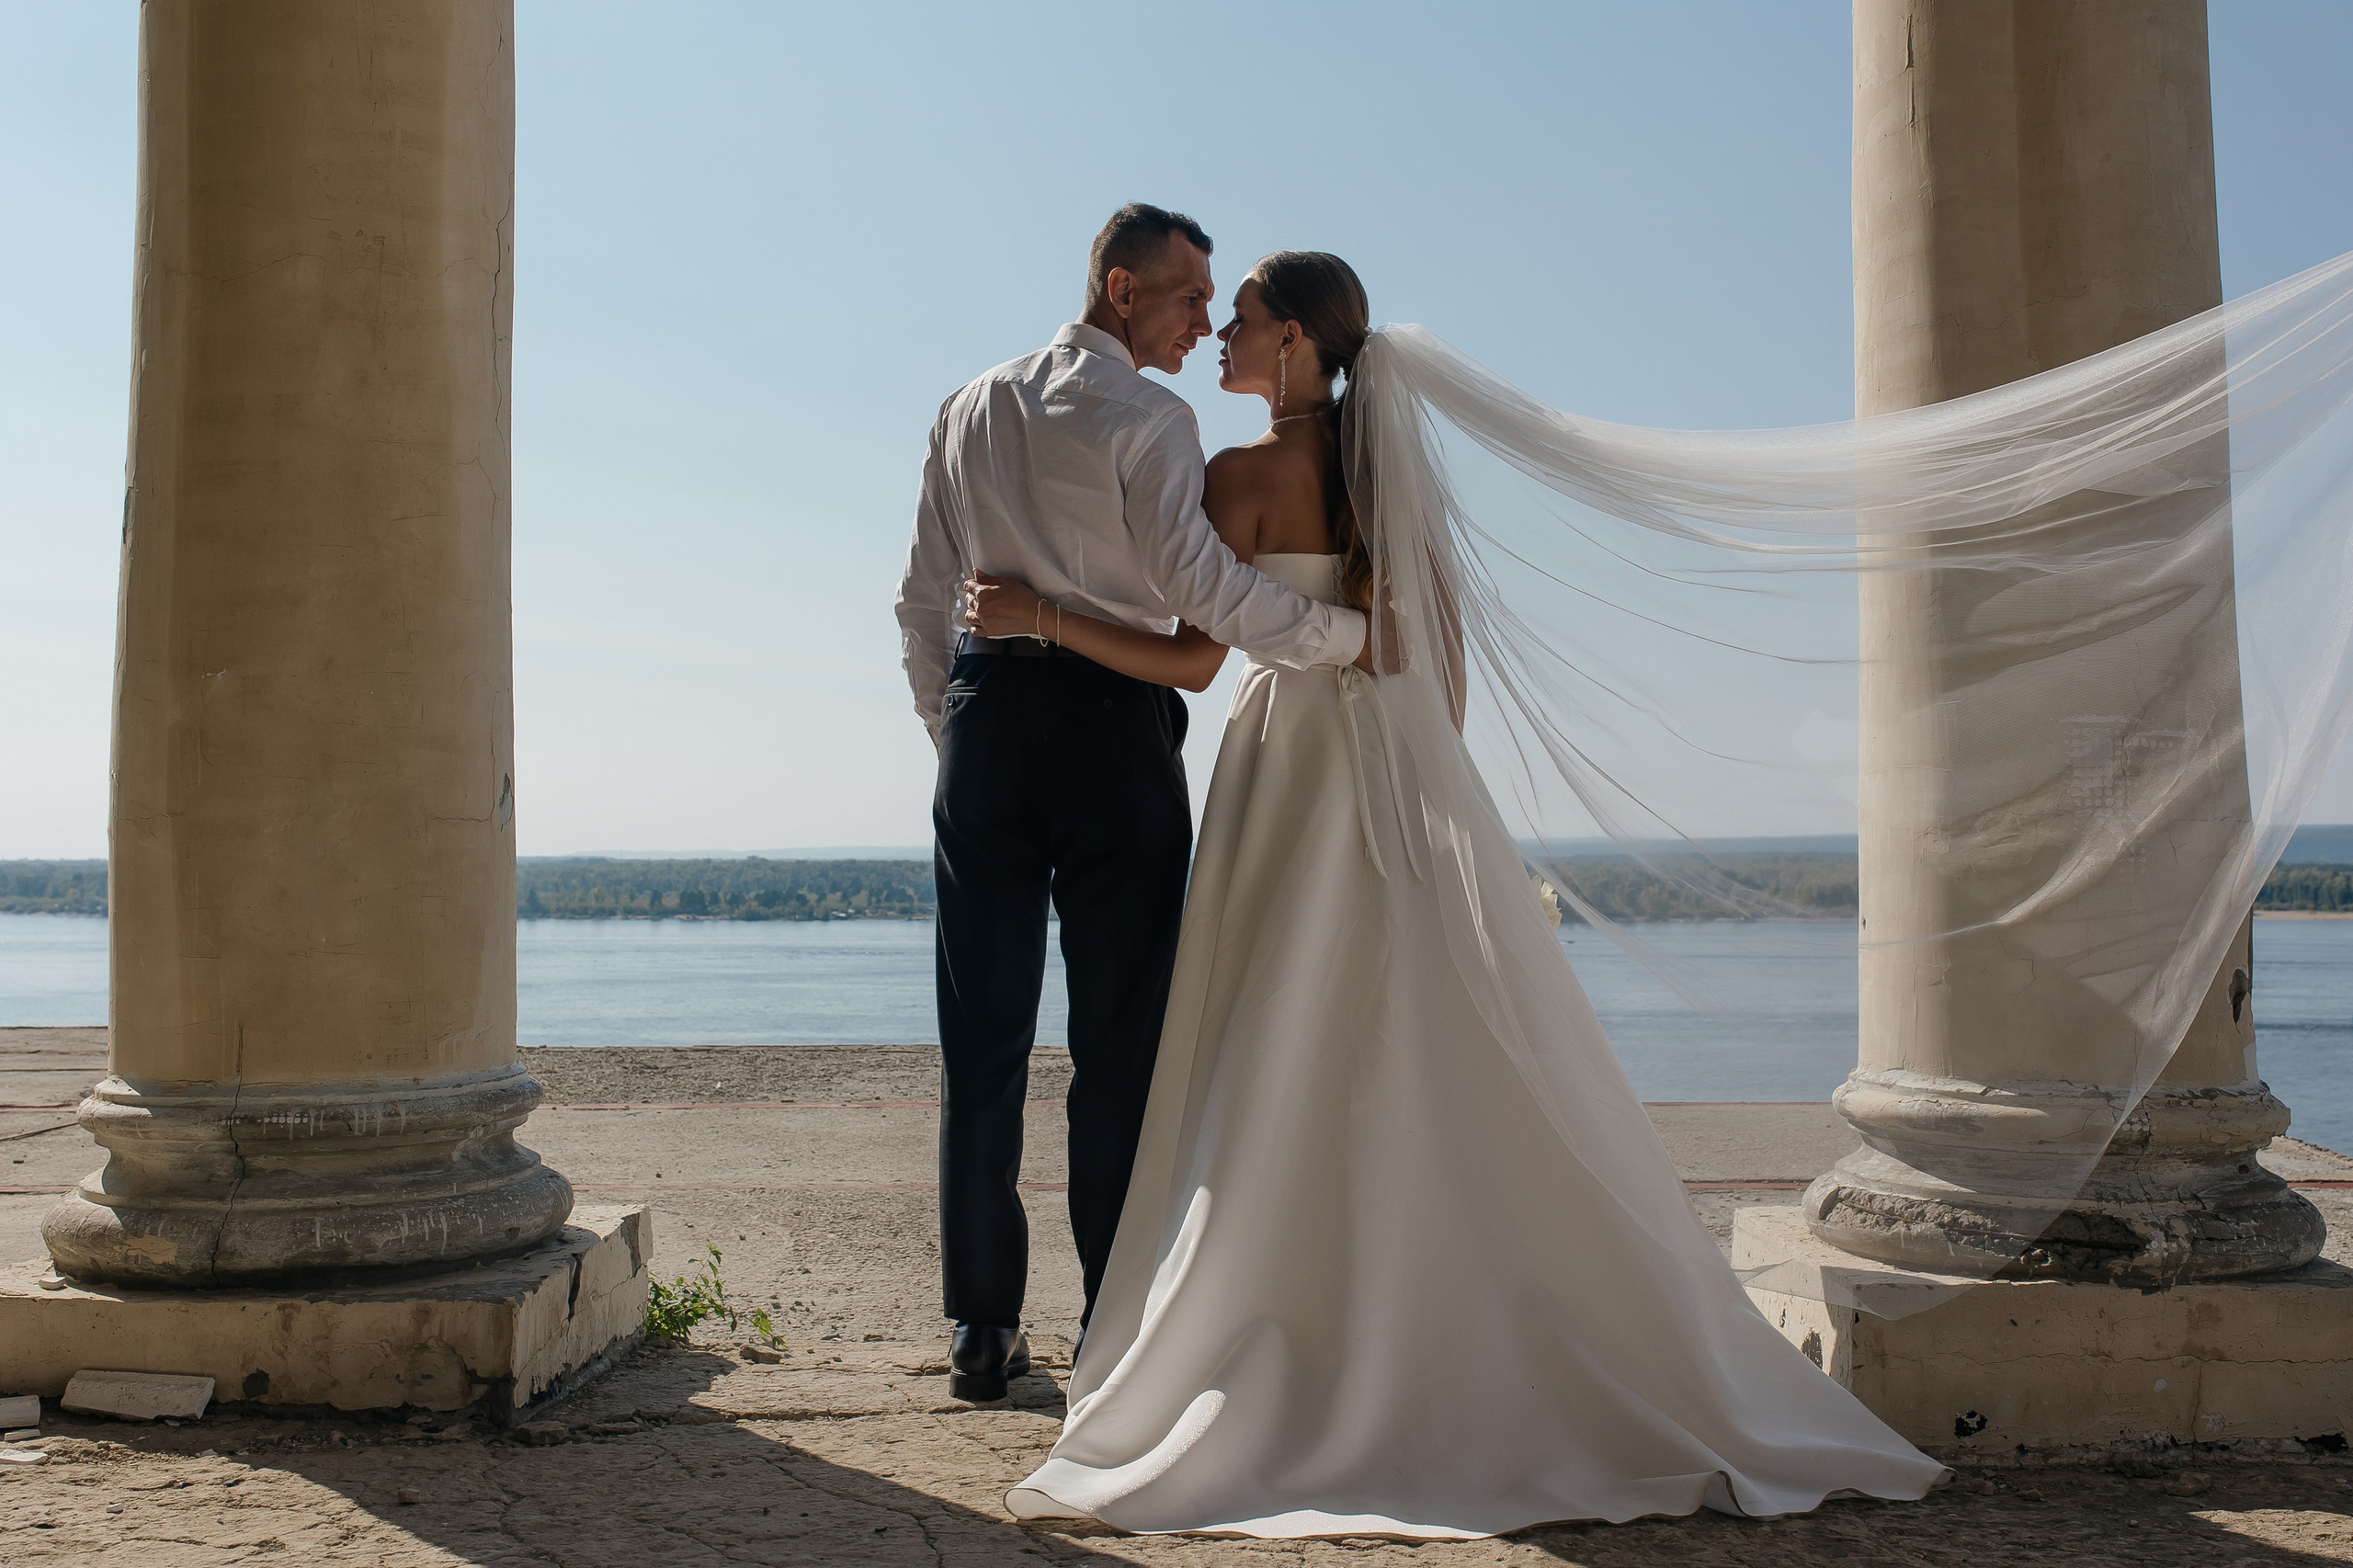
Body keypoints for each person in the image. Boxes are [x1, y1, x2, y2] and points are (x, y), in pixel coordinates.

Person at [959, 251, 1947, 1536]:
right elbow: (1444, 672)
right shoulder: (1389, 487)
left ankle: (1289, 1322)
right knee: (1409, 1028)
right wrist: (1419, 792)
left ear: (1301, 343)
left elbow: (1197, 656)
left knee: (1271, 1038)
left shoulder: (1240, 477)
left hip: (1286, 769)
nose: (1222, 338)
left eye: (1244, 320)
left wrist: (1041, 613)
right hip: (1391, 775)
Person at [893, 206, 1370, 1403]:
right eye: (1186, 295)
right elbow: (1200, 587)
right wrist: (1342, 636)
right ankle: (1111, 1322)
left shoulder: (969, 404)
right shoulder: (1152, 418)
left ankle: (980, 1330)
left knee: (982, 1038)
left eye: (1217, 303)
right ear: (1119, 287)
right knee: (1120, 1049)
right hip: (1112, 735)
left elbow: (920, 600)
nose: (1204, 318)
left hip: (990, 728)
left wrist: (961, 731)